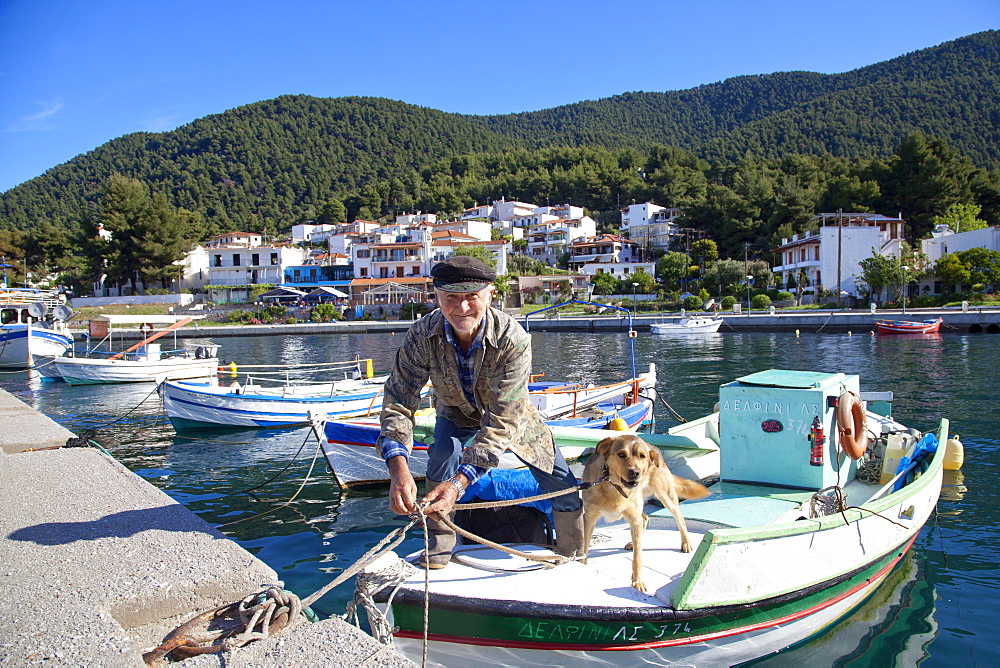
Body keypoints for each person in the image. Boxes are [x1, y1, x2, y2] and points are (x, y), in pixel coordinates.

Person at [376, 255, 584, 569]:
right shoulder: (421, 335)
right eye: (451, 298)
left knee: (560, 481)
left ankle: (573, 555)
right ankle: (438, 551)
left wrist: (460, 484)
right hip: (455, 411)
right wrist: (398, 470)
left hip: (512, 417)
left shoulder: (512, 338)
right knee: (442, 454)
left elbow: (502, 420)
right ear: (437, 297)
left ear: (489, 295)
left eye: (472, 297)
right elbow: (399, 400)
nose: (461, 308)